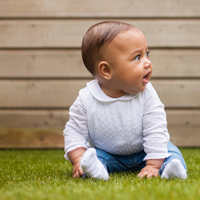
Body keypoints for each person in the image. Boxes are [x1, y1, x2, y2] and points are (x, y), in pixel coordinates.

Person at [63, 21, 187, 180]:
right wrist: (78, 159)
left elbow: (156, 128)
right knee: (91, 159)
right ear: (107, 70)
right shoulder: (87, 99)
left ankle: (170, 169)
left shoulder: (147, 94)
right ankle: (96, 171)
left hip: (146, 151)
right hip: (109, 154)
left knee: (171, 152)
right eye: (137, 57)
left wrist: (153, 164)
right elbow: (74, 131)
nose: (147, 62)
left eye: (146, 54)